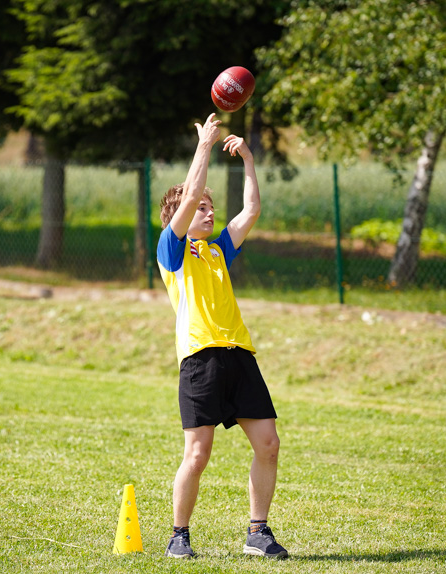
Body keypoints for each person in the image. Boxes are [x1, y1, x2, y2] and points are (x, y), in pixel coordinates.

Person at [156, 113, 288, 560]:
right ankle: (179, 535)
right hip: (200, 359)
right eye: (201, 209)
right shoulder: (171, 249)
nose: (208, 212)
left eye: (212, 208)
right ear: (178, 217)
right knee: (198, 454)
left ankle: (258, 533)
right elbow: (191, 192)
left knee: (268, 444)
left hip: (239, 355)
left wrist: (249, 159)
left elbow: (251, 210)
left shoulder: (217, 250)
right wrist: (205, 146)